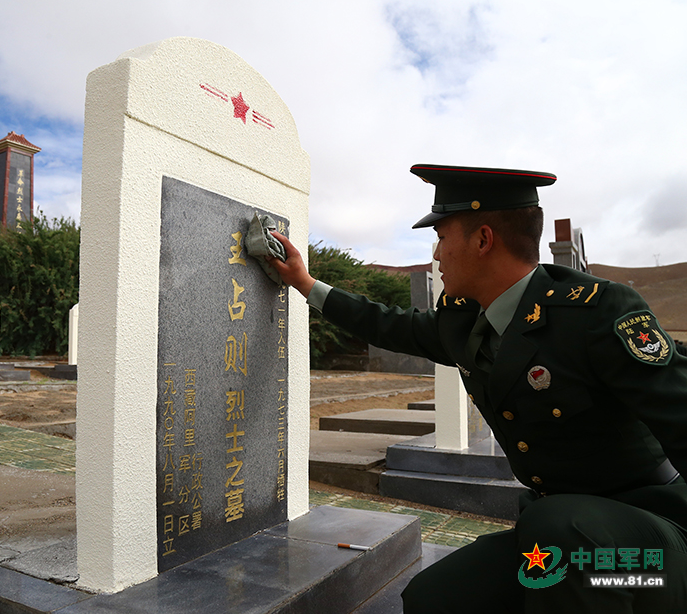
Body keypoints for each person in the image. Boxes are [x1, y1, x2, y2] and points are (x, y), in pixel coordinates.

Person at [267, 164, 687, 613]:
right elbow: (387, 324)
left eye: (443, 237)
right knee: (435, 598)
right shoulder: (467, 320)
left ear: (483, 239)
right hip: (556, 530)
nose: (435, 254)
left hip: (649, 539)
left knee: (558, 528)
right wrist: (304, 283)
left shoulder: (596, 313)